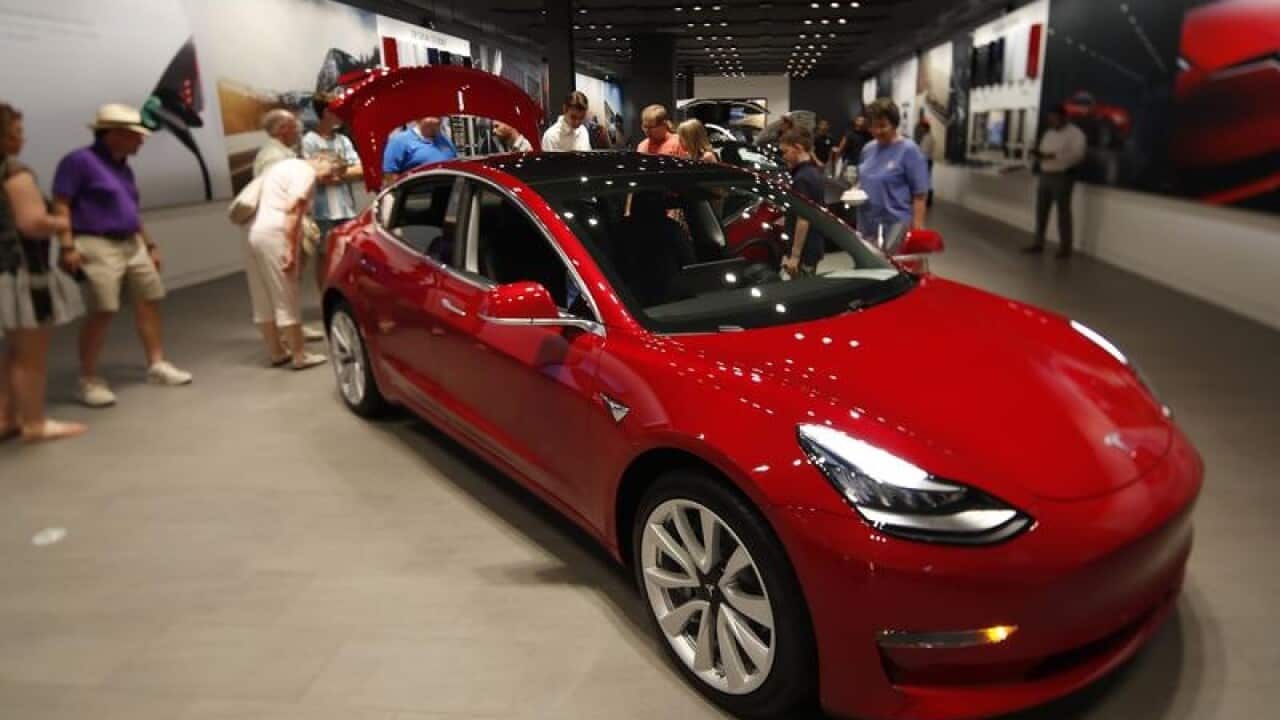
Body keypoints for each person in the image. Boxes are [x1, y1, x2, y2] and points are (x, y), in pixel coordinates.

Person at [53, 103, 192, 408]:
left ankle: (157, 364)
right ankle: (88, 379)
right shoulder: (78, 162)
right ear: (114, 134)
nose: (141, 141)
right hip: (94, 242)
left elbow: (131, 211)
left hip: (131, 242)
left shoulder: (123, 167)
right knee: (102, 309)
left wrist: (150, 245)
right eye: (135, 135)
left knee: (149, 299)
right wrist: (67, 246)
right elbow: (61, 205)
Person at [0, 103, 86, 442]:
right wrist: (62, 222)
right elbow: (31, 223)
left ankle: (6, 416)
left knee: (13, 349)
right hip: (22, 272)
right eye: (16, 133)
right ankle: (34, 423)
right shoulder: (15, 174)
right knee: (30, 353)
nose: (22, 139)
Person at [242, 155, 331, 370]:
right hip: (276, 233)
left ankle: (277, 352)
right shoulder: (305, 172)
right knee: (286, 296)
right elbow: (293, 209)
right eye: (331, 171)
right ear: (320, 159)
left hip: (253, 232)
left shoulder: (280, 167)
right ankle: (300, 355)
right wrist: (291, 249)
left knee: (262, 298)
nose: (330, 178)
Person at [302, 97, 363, 289]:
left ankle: (344, 293)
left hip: (345, 208)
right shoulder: (309, 141)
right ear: (326, 113)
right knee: (325, 255)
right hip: (322, 211)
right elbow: (312, 174)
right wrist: (342, 171)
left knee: (346, 253)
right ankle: (325, 295)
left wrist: (334, 174)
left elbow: (359, 169)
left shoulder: (343, 140)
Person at [856, 98, 930, 245]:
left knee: (892, 260)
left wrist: (917, 233)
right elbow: (863, 180)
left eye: (883, 126)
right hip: (866, 224)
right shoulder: (868, 149)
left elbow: (920, 196)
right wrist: (855, 189)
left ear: (894, 124)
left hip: (895, 226)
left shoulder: (909, 150)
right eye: (873, 126)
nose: (877, 131)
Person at [1026, 105, 1087, 258]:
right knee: (1041, 211)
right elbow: (1043, 151)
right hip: (1045, 174)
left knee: (1063, 213)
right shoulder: (1049, 133)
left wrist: (1054, 156)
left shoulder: (1076, 134)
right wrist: (1038, 155)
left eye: (1054, 118)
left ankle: (1065, 248)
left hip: (1063, 176)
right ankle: (1038, 243)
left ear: (1064, 117)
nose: (1052, 122)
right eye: (1050, 119)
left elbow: (1077, 155)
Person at [777, 128, 827, 278]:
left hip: (805, 250)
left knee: (802, 287)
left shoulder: (801, 179)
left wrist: (795, 256)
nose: (783, 157)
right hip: (814, 244)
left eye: (785, 152)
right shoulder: (814, 172)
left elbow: (803, 219)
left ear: (798, 148)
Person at [382, 116, 457, 186]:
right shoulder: (400, 141)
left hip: (448, 191)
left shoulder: (445, 140)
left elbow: (455, 166)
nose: (438, 118)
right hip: (417, 193)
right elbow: (389, 175)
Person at [253, 109, 300, 178]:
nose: (298, 131)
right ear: (282, 129)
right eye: (294, 127)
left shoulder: (279, 151)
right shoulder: (274, 158)